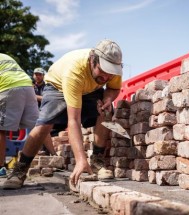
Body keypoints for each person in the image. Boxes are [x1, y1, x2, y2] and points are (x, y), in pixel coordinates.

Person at [3, 39, 123, 189]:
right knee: (45, 124)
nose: (106, 77)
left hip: (88, 89)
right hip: (57, 86)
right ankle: (19, 170)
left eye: (109, 74)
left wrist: (107, 98)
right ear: (93, 59)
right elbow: (73, 120)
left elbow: (113, 88)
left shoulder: (113, 69)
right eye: (102, 71)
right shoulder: (75, 70)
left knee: (106, 110)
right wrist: (80, 160)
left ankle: (97, 161)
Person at [0, 53, 39, 178]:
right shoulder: (4, 56)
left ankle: (0, 167)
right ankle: (54, 157)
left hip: (9, 86)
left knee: (0, 130)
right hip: (27, 86)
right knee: (39, 125)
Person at [33, 68, 56, 156]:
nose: (37, 76)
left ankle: (51, 154)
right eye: (36, 74)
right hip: (34, 113)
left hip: (46, 112)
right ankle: (39, 153)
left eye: (39, 74)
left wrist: (34, 96)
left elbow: (46, 99)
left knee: (44, 132)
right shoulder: (31, 86)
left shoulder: (47, 86)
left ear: (43, 76)